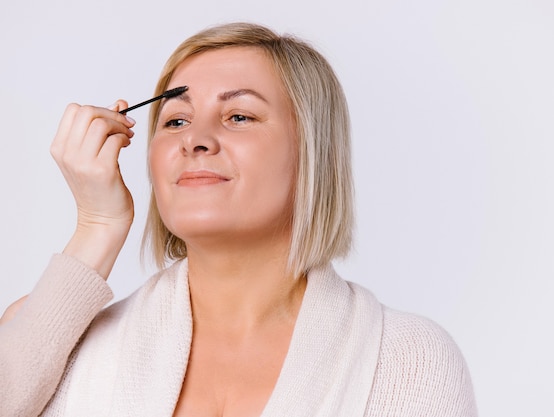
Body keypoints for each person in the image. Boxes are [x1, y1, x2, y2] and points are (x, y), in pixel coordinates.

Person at [0, 22, 477, 416]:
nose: (196, 140)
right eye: (176, 121)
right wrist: (97, 227)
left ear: (312, 151)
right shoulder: (56, 341)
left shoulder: (407, 360)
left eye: (239, 117)